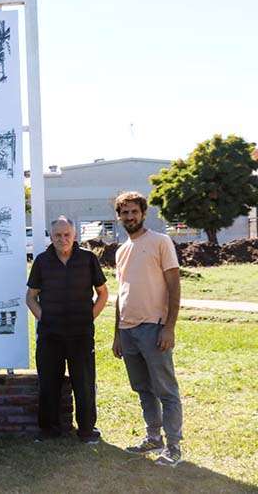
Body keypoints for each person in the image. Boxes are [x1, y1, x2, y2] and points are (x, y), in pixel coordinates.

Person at [111, 191, 183, 467]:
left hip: (154, 327)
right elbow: (121, 293)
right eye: (125, 212)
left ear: (143, 213)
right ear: (119, 217)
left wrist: (169, 327)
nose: (130, 216)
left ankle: (174, 446)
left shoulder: (160, 242)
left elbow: (174, 286)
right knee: (143, 388)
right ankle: (153, 437)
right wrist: (117, 334)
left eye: (134, 212)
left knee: (166, 390)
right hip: (128, 331)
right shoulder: (121, 251)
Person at [27, 216, 108, 443]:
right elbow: (30, 297)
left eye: (67, 235)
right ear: (51, 237)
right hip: (50, 336)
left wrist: (88, 317)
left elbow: (103, 293)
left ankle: (86, 430)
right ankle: (49, 430)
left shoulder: (88, 259)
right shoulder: (42, 261)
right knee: (48, 383)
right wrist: (45, 318)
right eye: (57, 235)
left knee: (84, 383)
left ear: (74, 236)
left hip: (81, 335)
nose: (62, 239)